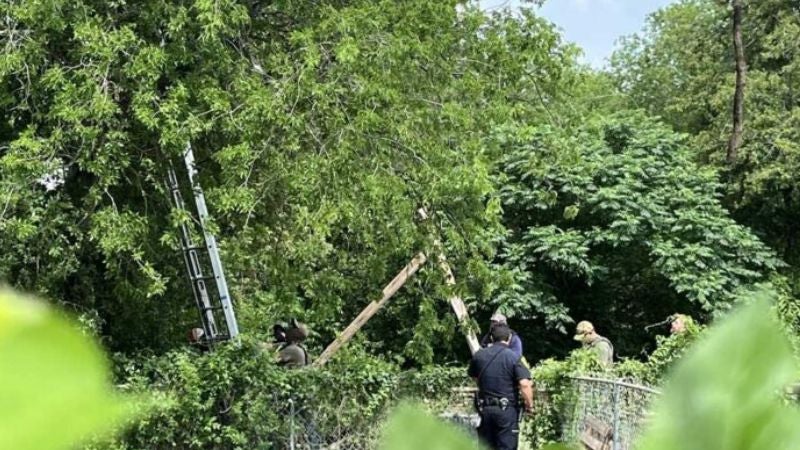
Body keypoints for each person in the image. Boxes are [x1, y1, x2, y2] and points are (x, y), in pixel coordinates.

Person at [468, 323, 534, 450]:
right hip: (506, 411)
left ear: (491, 338)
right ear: (509, 338)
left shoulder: (479, 356)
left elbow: (475, 377)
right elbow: (525, 384)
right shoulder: (513, 357)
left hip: (485, 410)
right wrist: (530, 406)